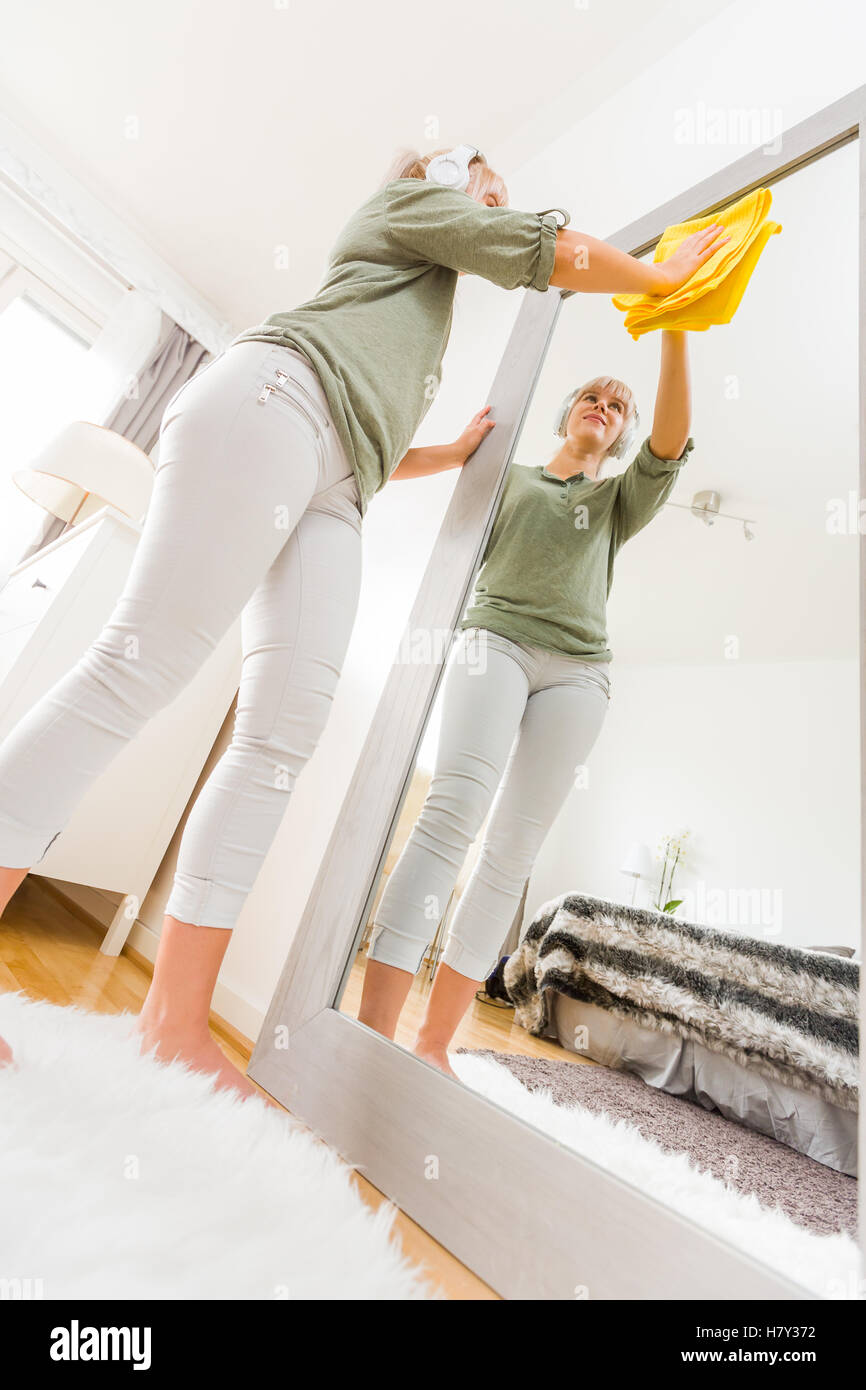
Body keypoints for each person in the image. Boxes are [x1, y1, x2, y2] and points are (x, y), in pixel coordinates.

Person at [0, 141, 727, 1096]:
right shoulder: (403, 209)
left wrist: (442, 450)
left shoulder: (417, 299)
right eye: (483, 178)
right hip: (274, 398)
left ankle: (173, 1018)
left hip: (339, 480)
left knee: (279, 739)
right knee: (136, 668)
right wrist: (664, 276)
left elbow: (371, 434)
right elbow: (536, 250)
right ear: (429, 175)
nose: (496, 192)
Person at [357, 333, 695, 1077]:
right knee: (451, 815)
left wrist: (675, 324)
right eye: (591, 397)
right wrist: (457, 449)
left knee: (512, 852)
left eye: (617, 406)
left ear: (621, 433)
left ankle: (433, 1044)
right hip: (496, 640)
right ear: (566, 415)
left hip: (580, 674)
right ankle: (370, 1030)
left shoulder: (618, 498)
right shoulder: (510, 477)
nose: (602, 408)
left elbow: (670, 441)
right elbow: (394, 466)